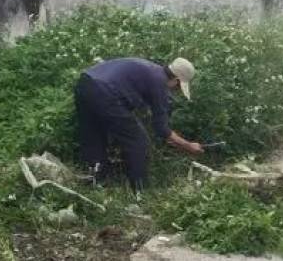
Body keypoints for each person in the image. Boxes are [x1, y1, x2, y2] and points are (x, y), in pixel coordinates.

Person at [74, 56, 204, 192]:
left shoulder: (150, 69)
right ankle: (140, 191)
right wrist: (188, 146)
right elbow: (162, 129)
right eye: (177, 87)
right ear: (176, 80)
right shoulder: (159, 82)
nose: (175, 91)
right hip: (106, 92)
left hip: (85, 83)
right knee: (138, 142)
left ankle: (96, 180)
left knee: (94, 134)